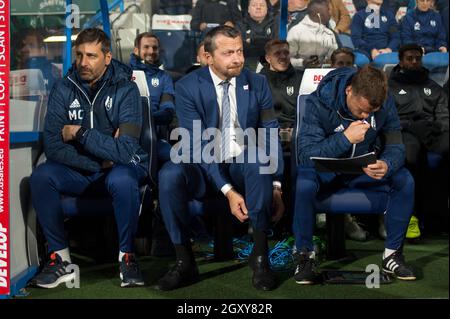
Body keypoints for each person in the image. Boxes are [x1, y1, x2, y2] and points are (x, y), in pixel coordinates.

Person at [156, 26, 285, 291]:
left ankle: (260, 257)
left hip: (241, 161)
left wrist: (277, 185)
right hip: (203, 166)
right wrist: (227, 191)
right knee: (169, 174)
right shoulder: (188, 87)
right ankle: (184, 261)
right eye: (228, 53)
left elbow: (271, 132)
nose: (237, 58)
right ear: (208, 56)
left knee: (258, 158)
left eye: (239, 51)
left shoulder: (257, 82)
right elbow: (197, 144)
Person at [29, 28, 149, 288]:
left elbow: (126, 151)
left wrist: (79, 133)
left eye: (92, 56)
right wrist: (100, 158)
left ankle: (127, 257)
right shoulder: (63, 89)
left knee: (123, 179)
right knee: (41, 176)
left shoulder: (126, 90)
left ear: (107, 57)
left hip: (117, 172)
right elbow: (53, 146)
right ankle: (60, 260)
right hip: (84, 171)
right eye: (80, 55)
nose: (84, 62)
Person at [293, 65, 416, 284]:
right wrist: (345, 139)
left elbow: (396, 145)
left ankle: (392, 254)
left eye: (371, 112)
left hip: (363, 169)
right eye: (361, 110)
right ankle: (304, 255)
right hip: (325, 171)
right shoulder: (317, 102)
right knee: (304, 183)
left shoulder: (384, 103)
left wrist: (387, 164)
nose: (366, 116)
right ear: (349, 90)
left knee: (404, 179)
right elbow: (305, 155)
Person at [388, 43, 448, 237]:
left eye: (417, 58)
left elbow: (444, 115)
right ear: (401, 61)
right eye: (409, 58)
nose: (414, 62)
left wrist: (439, 128)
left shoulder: (434, 87)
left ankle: (437, 218)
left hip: (432, 131)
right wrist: (409, 126)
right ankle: (410, 216)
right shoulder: (390, 86)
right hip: (405, 131)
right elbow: (388, 119)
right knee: (410, 154)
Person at [129, 32, 176, 163]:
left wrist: (148, 119)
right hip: (125, 138)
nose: (151, 51)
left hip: (154, 138)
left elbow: (168, 111)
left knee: (176, 159)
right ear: (136, 50)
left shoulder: (164, 78)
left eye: (154, 48)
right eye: (146, 47)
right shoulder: (123, 74)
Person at [287, 0, 339, 69]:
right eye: (327, 10)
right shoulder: (296, 32)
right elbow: (287, 59)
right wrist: (303, 63)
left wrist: (329, 61)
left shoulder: (329, 33)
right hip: (299, 74)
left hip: (322, 74)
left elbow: (335, 57)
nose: (330, 14)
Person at [401, 0, 448, 70]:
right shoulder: (408, 17)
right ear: (417, 1)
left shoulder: (437, 16)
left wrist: (442, 45)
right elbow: (406, 38)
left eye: (428, 0)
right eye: (422, 0)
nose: (425, 3)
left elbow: (441, 36)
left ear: (431, 2)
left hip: (434, 51)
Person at [351, 0, 400, 67]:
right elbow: (356, 39)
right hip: (365, 51)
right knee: (360, 61)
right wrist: (372, 50)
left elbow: (395, 37)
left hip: (387, 50)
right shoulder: (359, 16)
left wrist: (388, 49)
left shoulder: (389, 15)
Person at [237, 0, 278, 71]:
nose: (258, 7)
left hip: (271, 64)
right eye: (254, 5)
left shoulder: (276, 24)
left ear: (267, 8)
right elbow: (242, 47)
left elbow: (276, 45)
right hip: (246, 64)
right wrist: (266, 42)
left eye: (262, 5)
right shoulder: (240, 25)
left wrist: (252, 40)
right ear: (248, 9)